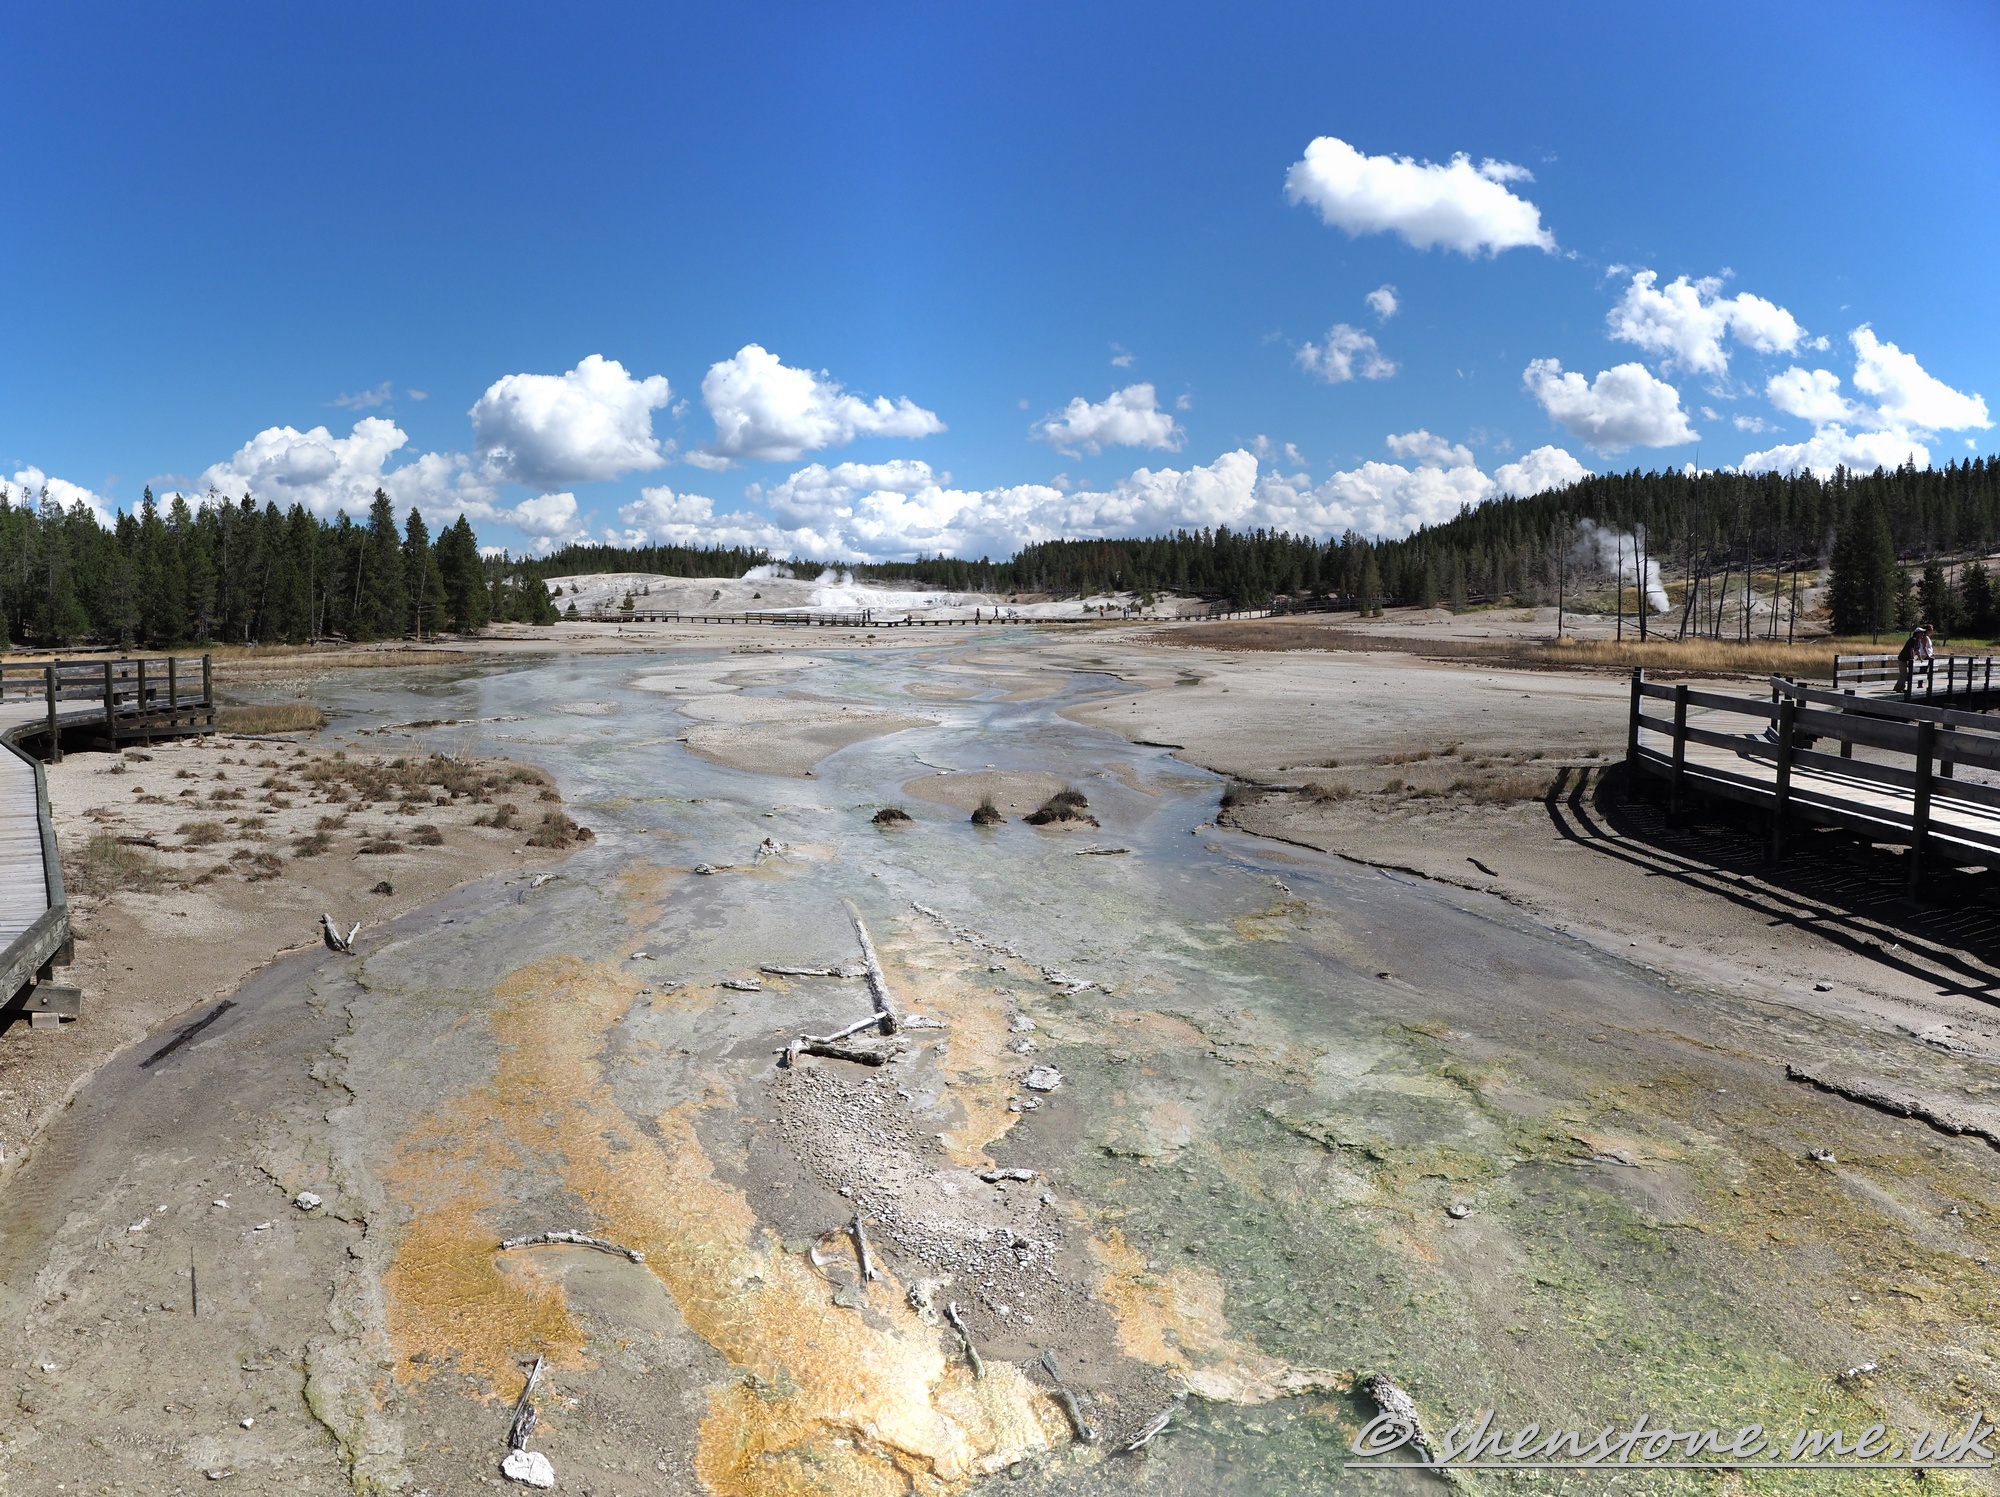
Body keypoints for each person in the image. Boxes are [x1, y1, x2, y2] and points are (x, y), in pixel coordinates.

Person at [1896, 622, 1933, 693]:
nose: (1923, 634)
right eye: (1921, 633)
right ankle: (1899, 688)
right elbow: (1912, 649)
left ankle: (1898, 687)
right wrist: (1913, 658)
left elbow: (1918, 650)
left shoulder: (1918, 640)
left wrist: (1921, 658)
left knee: (1905, 674)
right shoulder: (1913, 640)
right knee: (1904, 674)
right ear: (1917, 633)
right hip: (1902, 659)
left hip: (1907, 659)